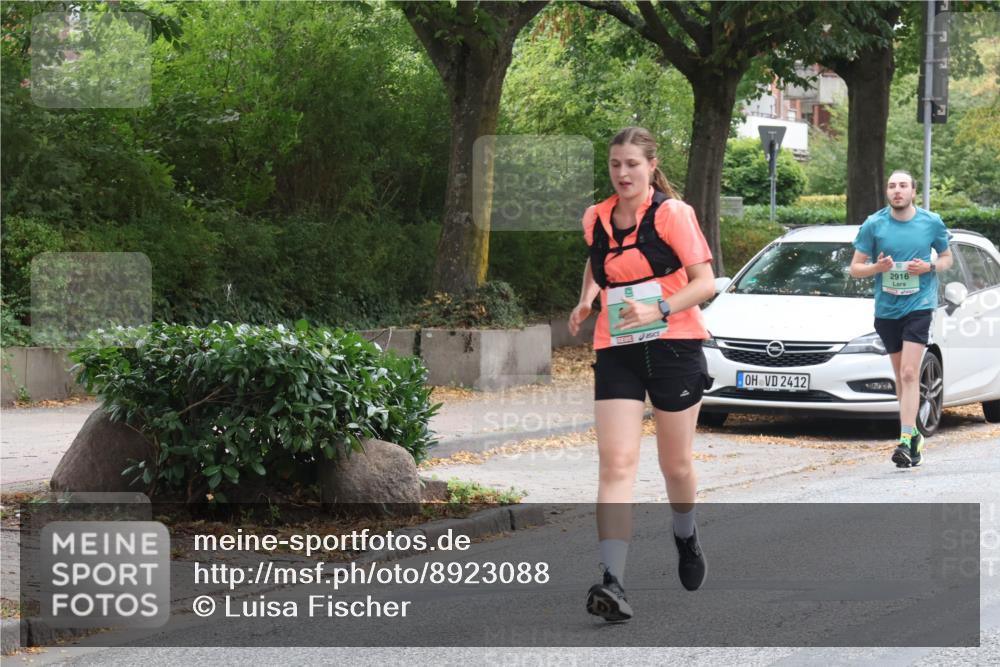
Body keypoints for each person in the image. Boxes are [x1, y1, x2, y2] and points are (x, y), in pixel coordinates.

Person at [568, 127, 716, 622]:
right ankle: (613, 580)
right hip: (618, 349)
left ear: (651, 166)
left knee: (675, 465)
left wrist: (660, 311)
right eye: (615, 164)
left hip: (674, 346)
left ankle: (686, 533)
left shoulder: (675, 214)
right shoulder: (596, 217)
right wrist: (587, 299)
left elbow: (706, 284)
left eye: (632, 163)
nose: (623, 172)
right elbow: (597, 264)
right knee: (616, 465)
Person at [849, 169, 952, 468]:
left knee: (909, 373)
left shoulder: (930, 222)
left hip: (919, 306)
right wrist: (877, 268)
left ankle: (905, 439)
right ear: (887, 192)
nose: (897, 191)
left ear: (913, 192)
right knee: (900, 376)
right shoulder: (874, 224)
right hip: (887, 311)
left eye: (903, 186)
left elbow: (946, 259)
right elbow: (856, 267)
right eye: (892, 186)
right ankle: (914, 436)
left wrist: (929, 266)